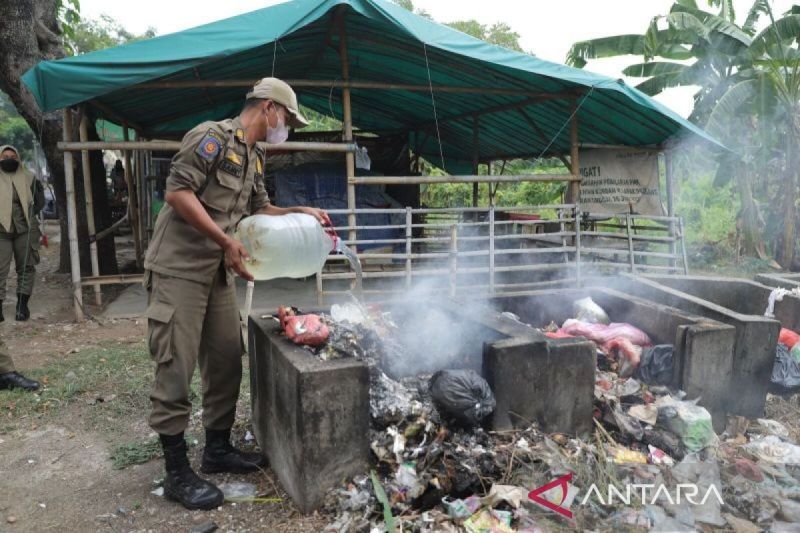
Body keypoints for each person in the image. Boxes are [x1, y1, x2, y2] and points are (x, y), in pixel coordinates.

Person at [144, 78, 329, 510]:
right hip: (180, 268)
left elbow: (259, 208)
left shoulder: (255, 155)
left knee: (227, 357)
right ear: (268, 108)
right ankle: (175, 472)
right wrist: (226, 242)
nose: (287, 127)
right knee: (176, 364)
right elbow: (177, 192)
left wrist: (298, 212)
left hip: (216, 272)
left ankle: (217, 447)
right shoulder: (212, 137)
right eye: (287, 118)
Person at [0, 146, 43, 322]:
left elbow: (39, 201)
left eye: (13, 156)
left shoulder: (29, 176)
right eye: (5, 157)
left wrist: (29, 216)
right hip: (1, 231)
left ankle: (21, 306)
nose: (9, 159)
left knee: (26, 267)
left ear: (18, 159)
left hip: (24, 229)